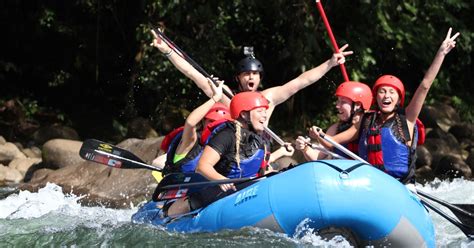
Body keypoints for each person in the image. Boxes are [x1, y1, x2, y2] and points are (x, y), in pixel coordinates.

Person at [310, 28, 460, 184]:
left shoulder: (407, 118)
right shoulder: (365, 120)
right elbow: (330, 142)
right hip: (370, 182)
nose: (386, 95)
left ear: (398, 99)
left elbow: (425, 86)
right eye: (382, 91)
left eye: (391, 92)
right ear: (376, 97)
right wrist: (317, 135)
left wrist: (441, 53)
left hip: (400, 185)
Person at [150, 30, 353, 124]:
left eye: (255, 74)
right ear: (238, 78)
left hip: (257, 152)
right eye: (246, 74)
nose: (251, 78)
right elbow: (192, 72)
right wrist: (166, 50)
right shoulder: (225, 95)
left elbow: (301, 81)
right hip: (231, 153)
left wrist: (330, 63)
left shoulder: (268, 98)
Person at [166, 91, 277, 216]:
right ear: (244, 115)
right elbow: (202, 166)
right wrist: (222, 180)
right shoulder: (226, 135)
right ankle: (167, 215)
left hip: (244, 193)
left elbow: (259, 175)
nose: (265, 116)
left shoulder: (259, 143)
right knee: (191, 202)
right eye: (260, 111)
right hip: (217, 192)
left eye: (265, 111)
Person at [295, 81, 372, 161]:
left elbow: (330, 143)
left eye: (343, 102)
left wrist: (319, 135)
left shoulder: (366, 125)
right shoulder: (335, 128)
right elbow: (317, 157)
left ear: (358, 105)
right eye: (338, 100)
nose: (337, 105)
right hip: (343, 172)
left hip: (365, 172)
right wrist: (305, 148)